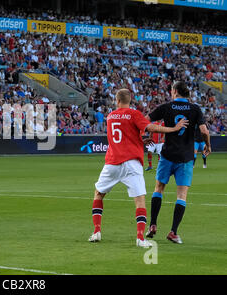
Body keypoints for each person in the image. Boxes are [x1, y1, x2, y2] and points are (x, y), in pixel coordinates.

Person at [88, 89, 188, 248]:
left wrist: (140, 141)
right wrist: (174, 129)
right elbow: (152, 128)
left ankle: (96, 231)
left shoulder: (110, 116)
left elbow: (123, 137)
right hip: (131, 164)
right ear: (130, 100)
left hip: (112, 162)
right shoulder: (134, 114)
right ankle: (140, 238)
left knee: (98, 194)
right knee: (140, 201)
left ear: (117, 100)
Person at [145, 82, 211, 244]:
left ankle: (153, 224)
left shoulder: (166, 106)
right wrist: (208, 145)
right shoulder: (195, 108)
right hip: (186, 158)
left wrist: (148, 132)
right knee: (181, 195)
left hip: (167, 155)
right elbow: (204, 131)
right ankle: (173, 232)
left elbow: (145, 121)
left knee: (158, 188)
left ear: (174, 91)